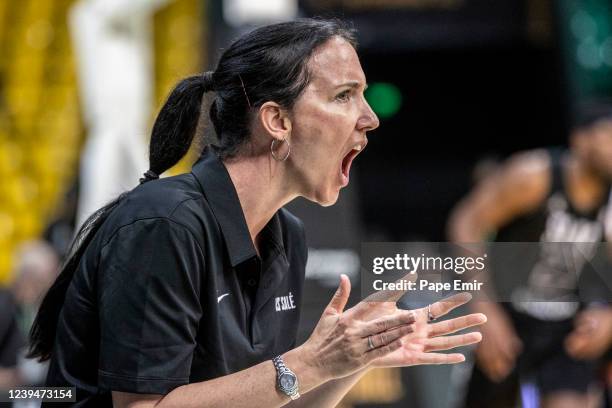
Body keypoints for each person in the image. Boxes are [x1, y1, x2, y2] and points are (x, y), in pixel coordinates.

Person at [29, 19, 486, 407]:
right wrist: (311, 361)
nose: (370, 118)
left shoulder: (286, 236)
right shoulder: (167, 223)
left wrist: (352, 360)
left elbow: (273, 396)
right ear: (277, 121)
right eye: (345, 95)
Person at [448, 100, 612, 408]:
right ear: (580, 139)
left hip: (567, 327)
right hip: (508, 312)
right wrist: (483, 308)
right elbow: (466, 223)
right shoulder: (534, 175)